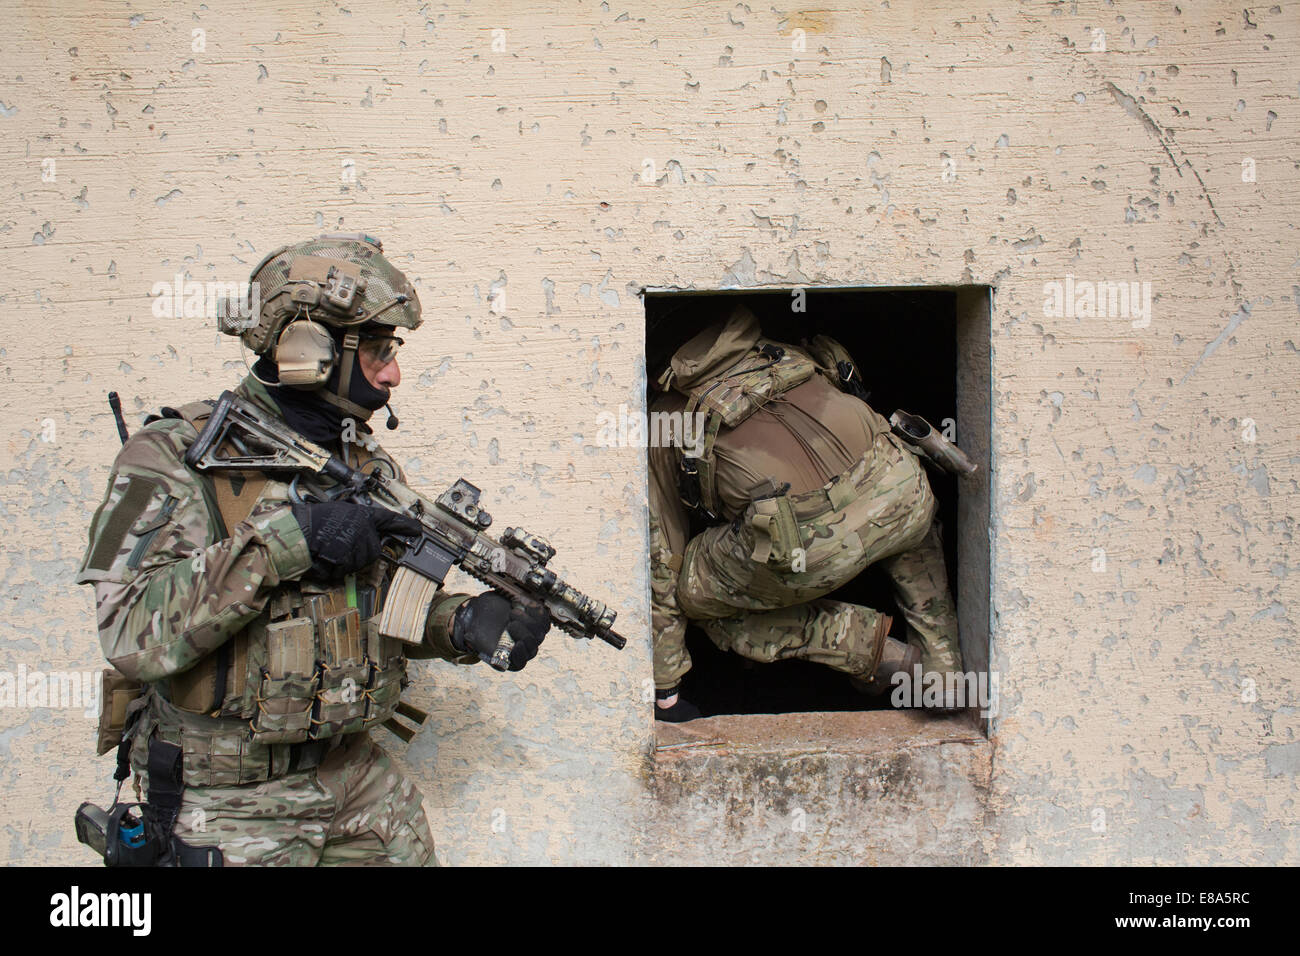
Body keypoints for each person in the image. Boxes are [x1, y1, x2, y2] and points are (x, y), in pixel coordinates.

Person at [76, 233, 550, 865]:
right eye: (379, 350)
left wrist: (459, 625)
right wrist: (287, 541)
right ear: (310, 351)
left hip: (355, 779)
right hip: (227, 802)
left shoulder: (368, 465)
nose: (393, 373)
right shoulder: (169, 458)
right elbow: (131, 633)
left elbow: (374, 610)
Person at [648, 302, 964, 721]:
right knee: (907, 504)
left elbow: (662, 557)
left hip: (806, 547)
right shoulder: (788, 352)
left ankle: (872, 649)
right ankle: (945, 673)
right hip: (903, 491)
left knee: (693, 593)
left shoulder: (665, 419)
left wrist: (666, 686)